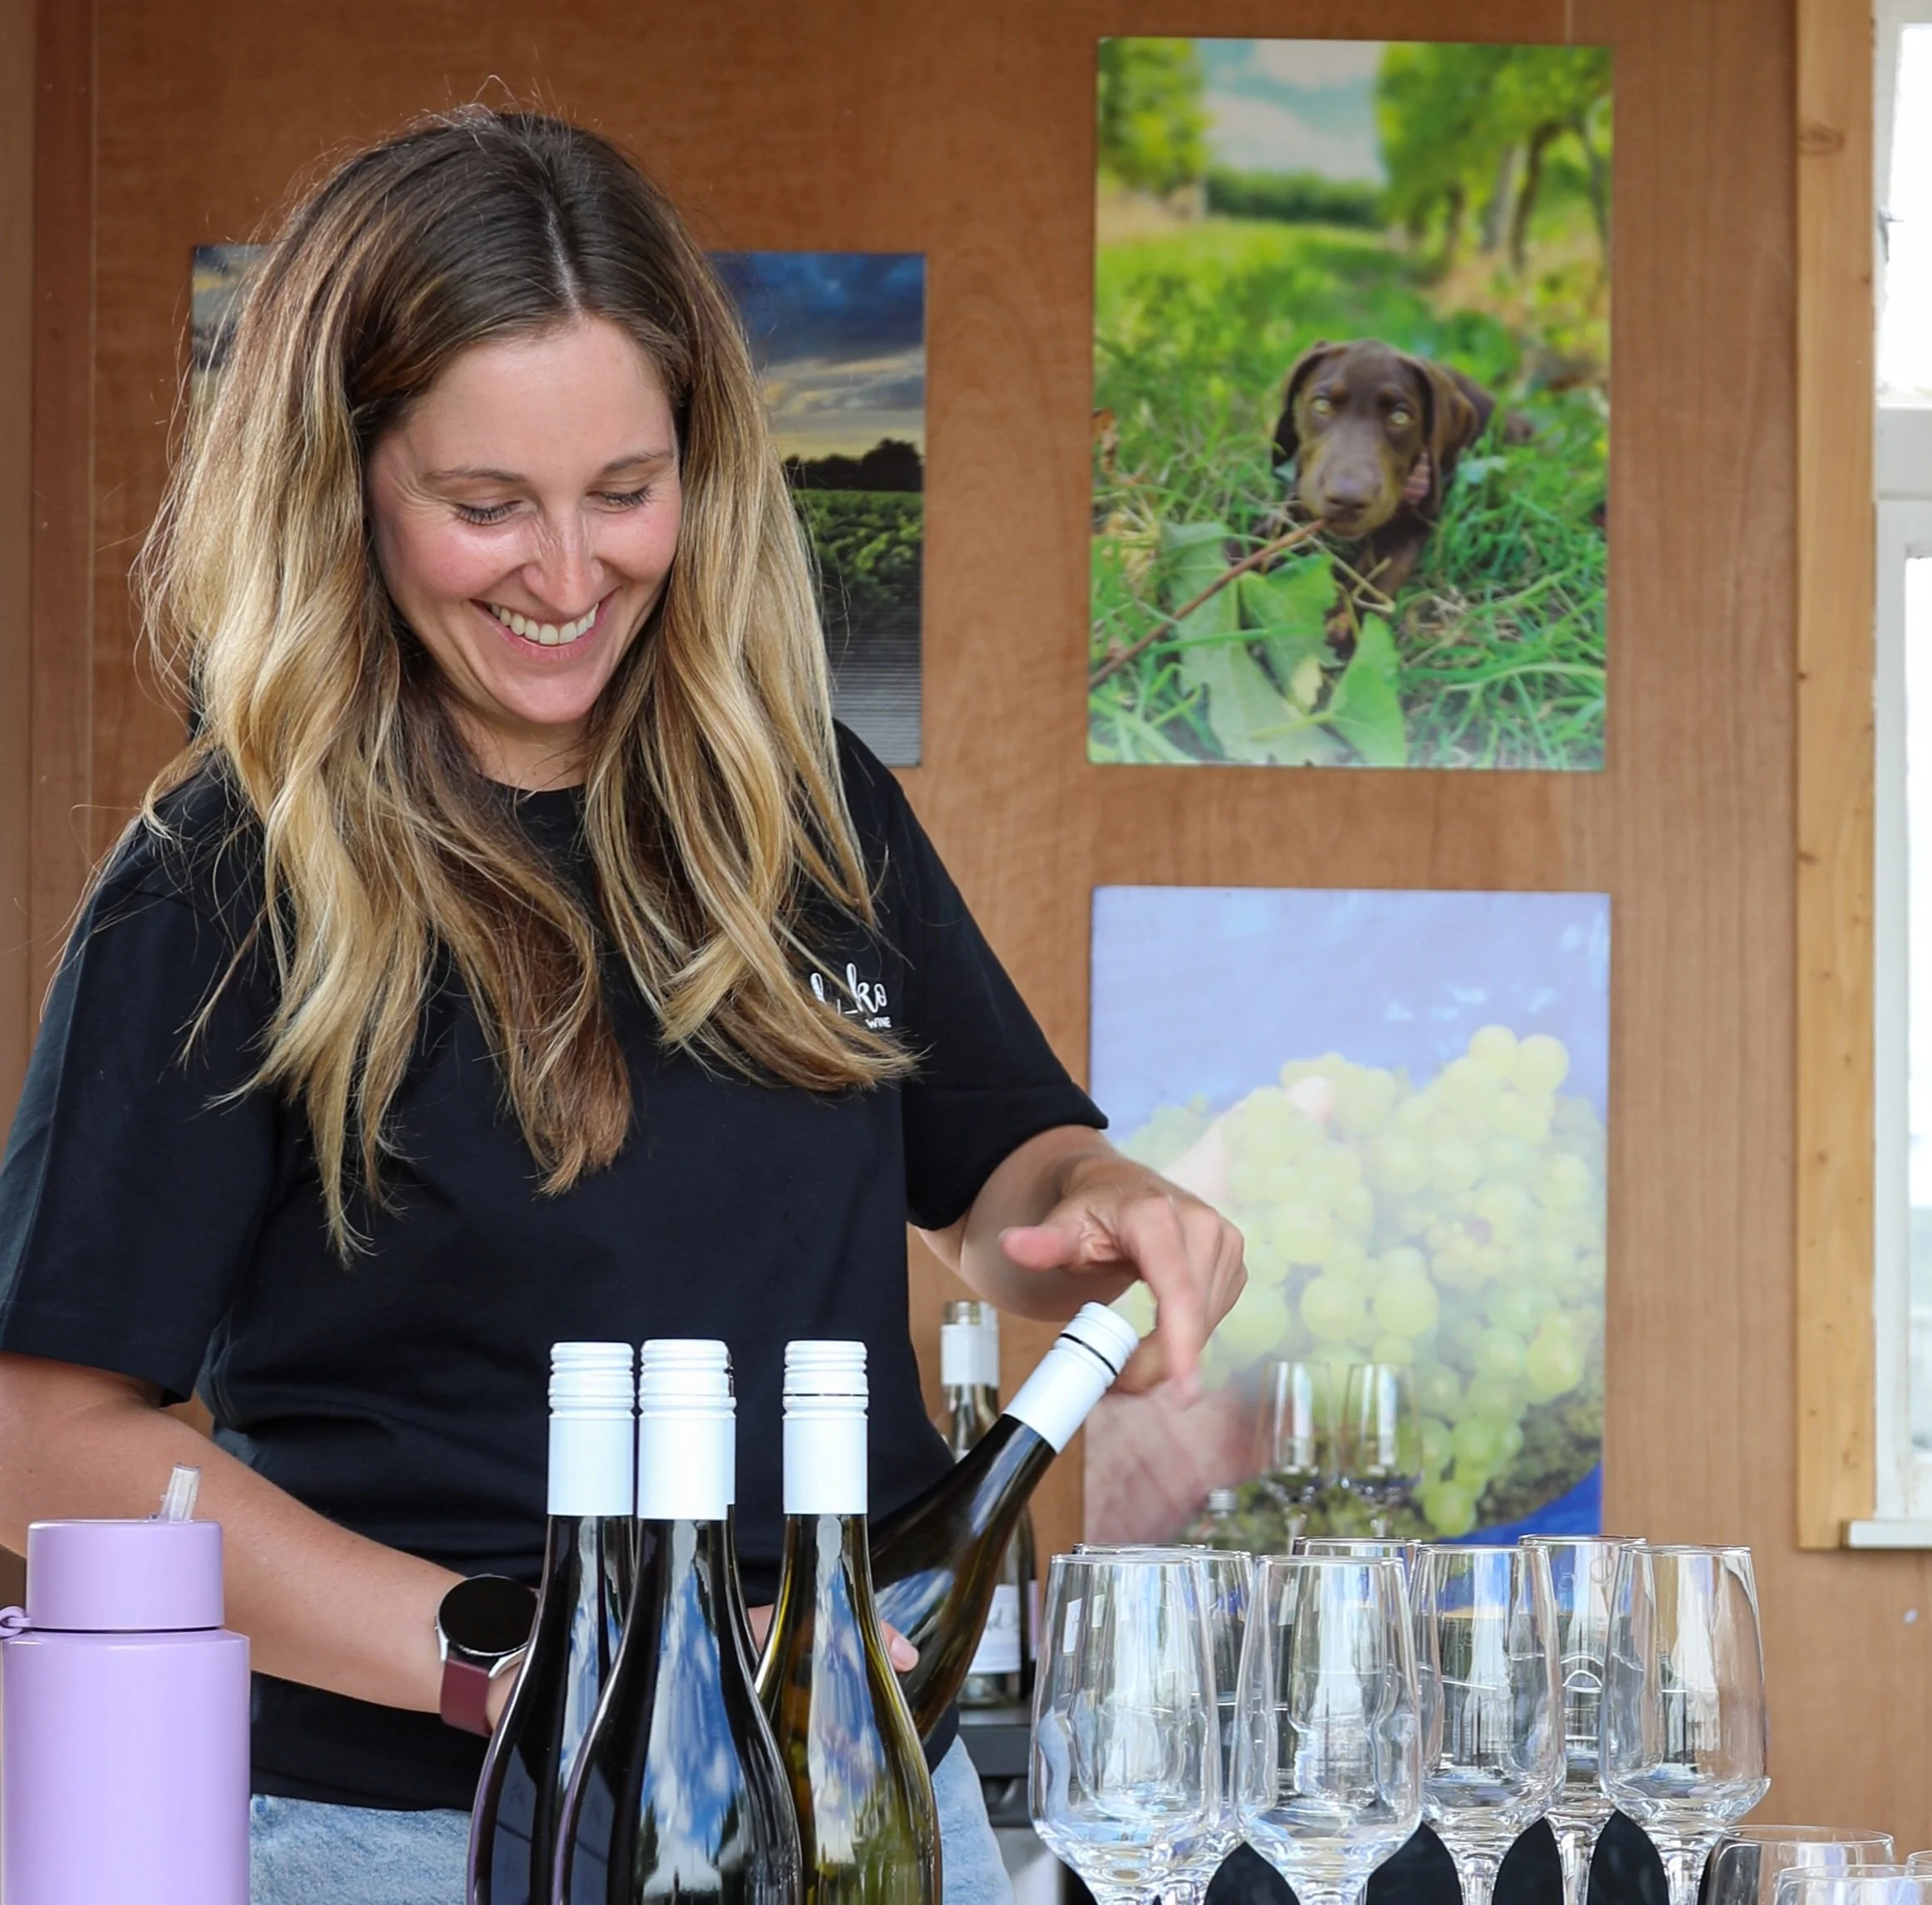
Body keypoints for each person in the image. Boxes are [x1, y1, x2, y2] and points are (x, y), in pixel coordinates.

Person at [0, 109, 1244, 1905]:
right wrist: (515, 1659)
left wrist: (1097, 1205)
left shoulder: (792, 801)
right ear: (342, 482)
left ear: (703, 467)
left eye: (624, 493)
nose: (568, 577)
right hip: (428, 1828)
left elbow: (1004, 1183)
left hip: (853, 1796)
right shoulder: (225, 876)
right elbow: (50, 1450)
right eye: (483, 505)